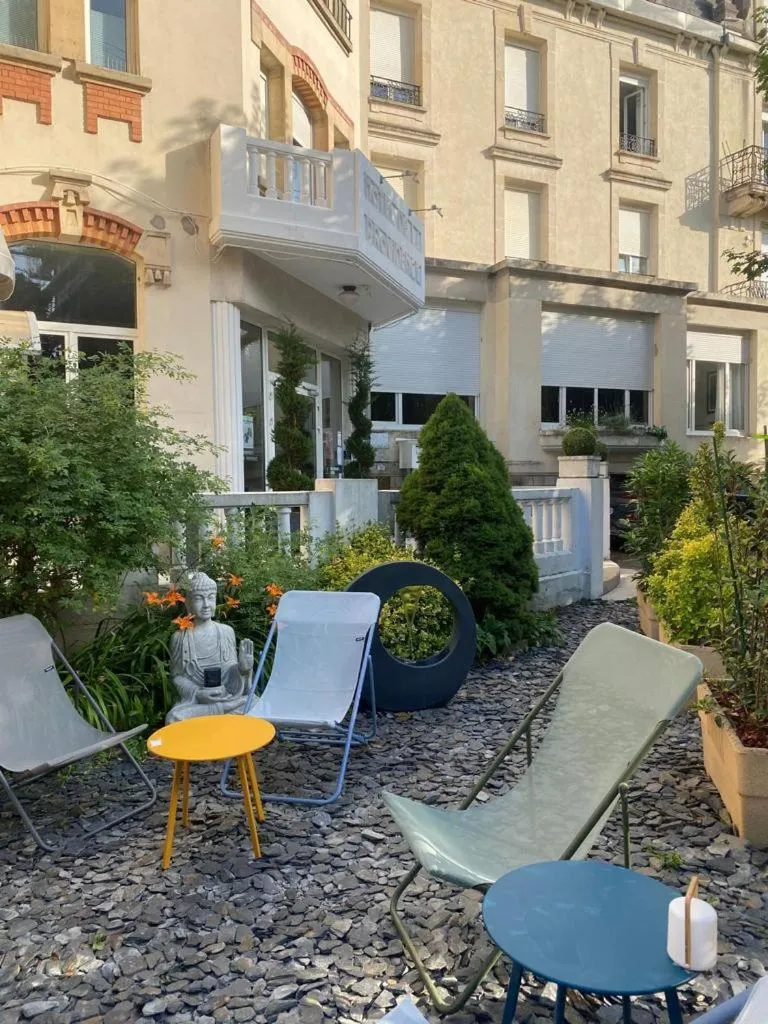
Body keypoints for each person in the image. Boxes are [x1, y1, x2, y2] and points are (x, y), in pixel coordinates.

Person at [166, 571, 254, 723]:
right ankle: (222, 710)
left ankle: (223, 709)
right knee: (174, 718)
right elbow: (177, 677)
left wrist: (242, 669)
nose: (206, 604)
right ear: (188, 604)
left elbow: (230, 672)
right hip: (198, 703)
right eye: (199, 599)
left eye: (211, 598)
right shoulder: (180, 638)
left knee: (254, 704)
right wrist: (197, 693)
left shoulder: (226, 632)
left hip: (227, 696)